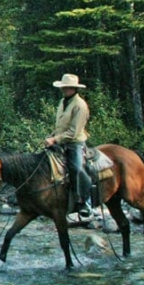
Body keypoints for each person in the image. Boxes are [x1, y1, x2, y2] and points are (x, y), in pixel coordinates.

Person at [43, 74, 96, 224]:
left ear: (74, 88)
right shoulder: (62, 102)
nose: (64, 90)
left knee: (77, 168)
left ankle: (85, 203)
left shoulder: (80, 105)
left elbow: (73, 131)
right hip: (60, 140)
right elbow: (60, 125)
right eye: (63, 87)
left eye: (67, 87)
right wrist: (52, 136)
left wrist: (54, 139)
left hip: (74, 143)